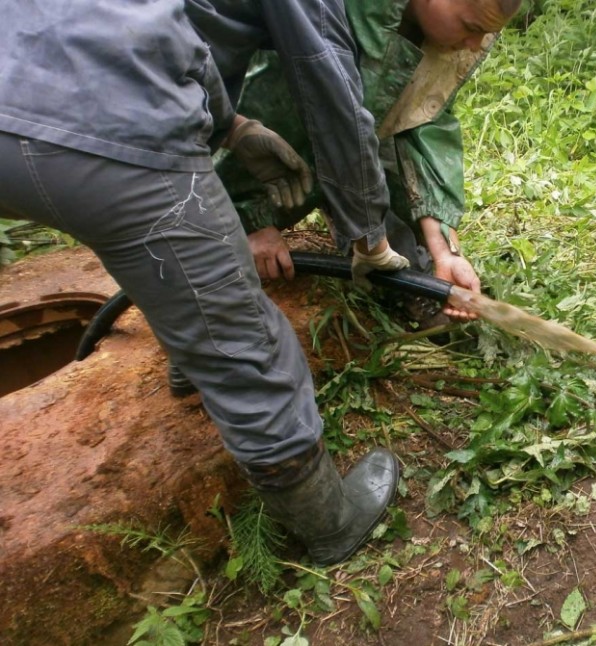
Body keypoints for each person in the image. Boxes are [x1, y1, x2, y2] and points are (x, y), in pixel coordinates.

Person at [0, 0, 402, 567]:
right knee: (249, 344)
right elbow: (328, 81)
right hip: (115, 117)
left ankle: (190, 363)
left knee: (148, 240)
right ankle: (331, 525)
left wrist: (233, 126)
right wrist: (366, 231)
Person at [187, 0, 523, 327]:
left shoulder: (452, 35)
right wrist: (248, 222)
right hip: (258, 132)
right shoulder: (328, 12)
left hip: (357, 144)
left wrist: (446, 250)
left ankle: (390, 260)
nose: (474, 44)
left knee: (387, 168)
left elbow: (424, 120)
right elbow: (269, 102)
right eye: (471, 27)